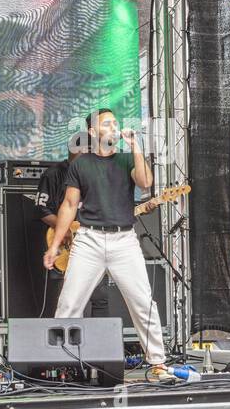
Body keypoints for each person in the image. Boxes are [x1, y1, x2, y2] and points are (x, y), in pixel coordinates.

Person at [43, 109, 166, 369]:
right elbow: (68, 205)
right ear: (92, 132)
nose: (113, 126)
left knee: (143, 302)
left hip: (124, 240)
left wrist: (136, 146)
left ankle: (158, 363)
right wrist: (55, 246)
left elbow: (146, 182)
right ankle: (61, 363)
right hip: (88, 240)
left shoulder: (126, 159)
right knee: (69, 303)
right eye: (106, 123)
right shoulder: (81, 164)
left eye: (115, 122)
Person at [35, 142, 110, 318]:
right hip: (67, 243)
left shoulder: (95, 175)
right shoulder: (53, 174)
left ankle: (101, 343)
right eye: (90, 150)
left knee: (100, 296)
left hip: (93, 240)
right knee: (70, 297)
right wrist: (64, 229)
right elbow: (41, 209)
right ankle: (72, 341)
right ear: (78, 151)